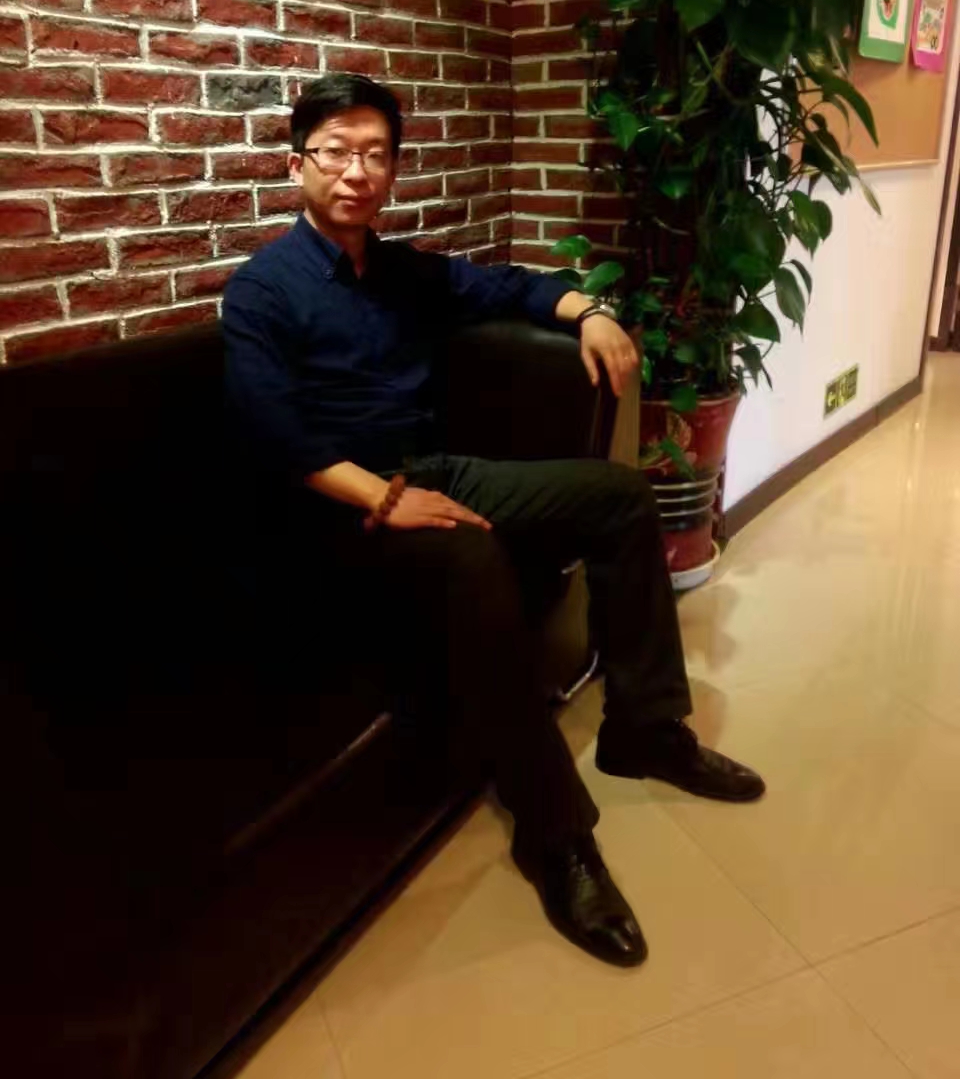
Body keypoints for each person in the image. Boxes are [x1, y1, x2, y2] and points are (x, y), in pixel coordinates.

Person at [222, 74, 765, 969]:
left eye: (375, 154)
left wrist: (591, 311)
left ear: (392, 170)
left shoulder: (401, 271)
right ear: (297, 165)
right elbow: (272, 432)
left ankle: (646, 729)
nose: (356, 171)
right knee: (474, 557)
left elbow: (508, 286)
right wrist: (383, 499)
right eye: (335, 152)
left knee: (620, 495)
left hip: (433, 472)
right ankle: (556, 838)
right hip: (341, 511)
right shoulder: (261, 292)